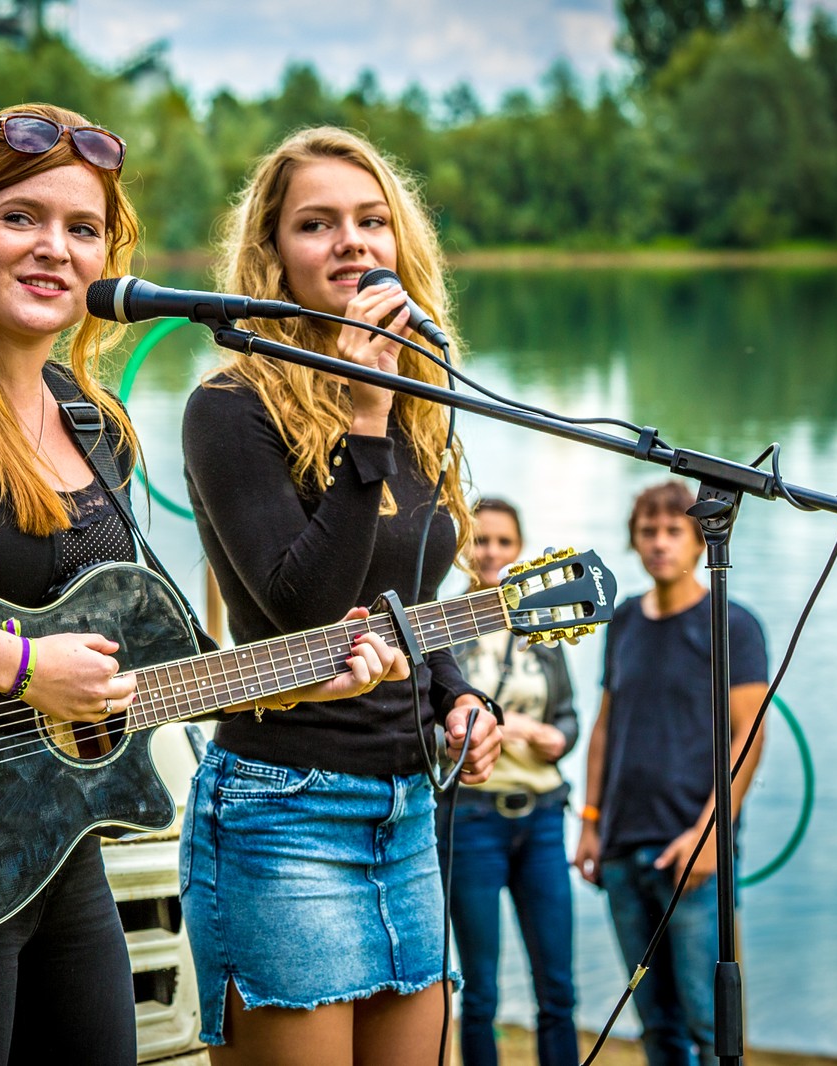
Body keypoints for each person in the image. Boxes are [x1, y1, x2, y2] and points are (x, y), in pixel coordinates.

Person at [0, 104, 405, 1066]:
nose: (54, 249)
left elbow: (165, 656)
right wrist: (20, 668)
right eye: (21, 219)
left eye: (82, 230)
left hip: (52, 850)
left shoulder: (93, 422)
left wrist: (305, 676)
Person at [179, 126, 504, 1066]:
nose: (351, 242)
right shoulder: (231, 405)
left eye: (371, 221)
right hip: (284, 810)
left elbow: (414, 598)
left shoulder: (421, 402)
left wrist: (460, 699)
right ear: (272, 255)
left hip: (405, 811)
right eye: (316, 225)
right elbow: (301, 610)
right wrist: (365, 415)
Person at [572, 480, 770, 1066]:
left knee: (710, 1026)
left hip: (695, 851)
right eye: (648, 531)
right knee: (654, 1025)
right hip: (621, 847)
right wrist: (589, 822)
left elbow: (749, 736)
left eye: (673, 531)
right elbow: (605, 726)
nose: (660, 543)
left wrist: (710, 835)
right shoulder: (625, 619)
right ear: (634, 542)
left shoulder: (732, 623)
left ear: (698, 540)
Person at [441, 498, 580, 1066]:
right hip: (471, 818)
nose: (491, 552)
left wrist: (559, 739)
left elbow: (568, 714)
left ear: (519, 551)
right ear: (462, 549)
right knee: (480, 992)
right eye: (480, 540)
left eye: (503, 542)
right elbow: (431, 721)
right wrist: (508, 725)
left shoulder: (541, 627)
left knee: (558, 990)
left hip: (543, 818)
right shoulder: (444, 628)